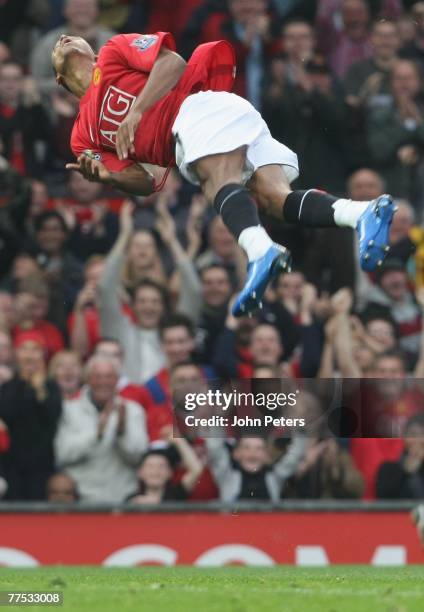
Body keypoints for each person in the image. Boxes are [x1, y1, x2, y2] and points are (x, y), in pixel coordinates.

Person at [52, 29, 396, 317]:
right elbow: (147, 181)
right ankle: (362, 212)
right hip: (196, 135)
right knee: (275, 200)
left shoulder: (113, 51)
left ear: (91, 49)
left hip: (195, 111)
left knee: (218, 182)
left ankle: (260, 250)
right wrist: (109, 179)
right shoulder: (83, 136)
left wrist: (137, 111)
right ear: (58, 77)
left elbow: (172, 62)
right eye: (57, 45)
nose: (64, 37)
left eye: (71, 37)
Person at [54, 355, 148, 502]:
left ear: (117, 380)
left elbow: (138, 458)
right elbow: (62, 455)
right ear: (88, 380)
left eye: (109, 377)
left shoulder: (132, 410)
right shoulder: (69, 410)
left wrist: (121, 433)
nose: (103, 382)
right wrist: (96, 434)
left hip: (123, 499)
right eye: (97, 376)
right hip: (80, 500)